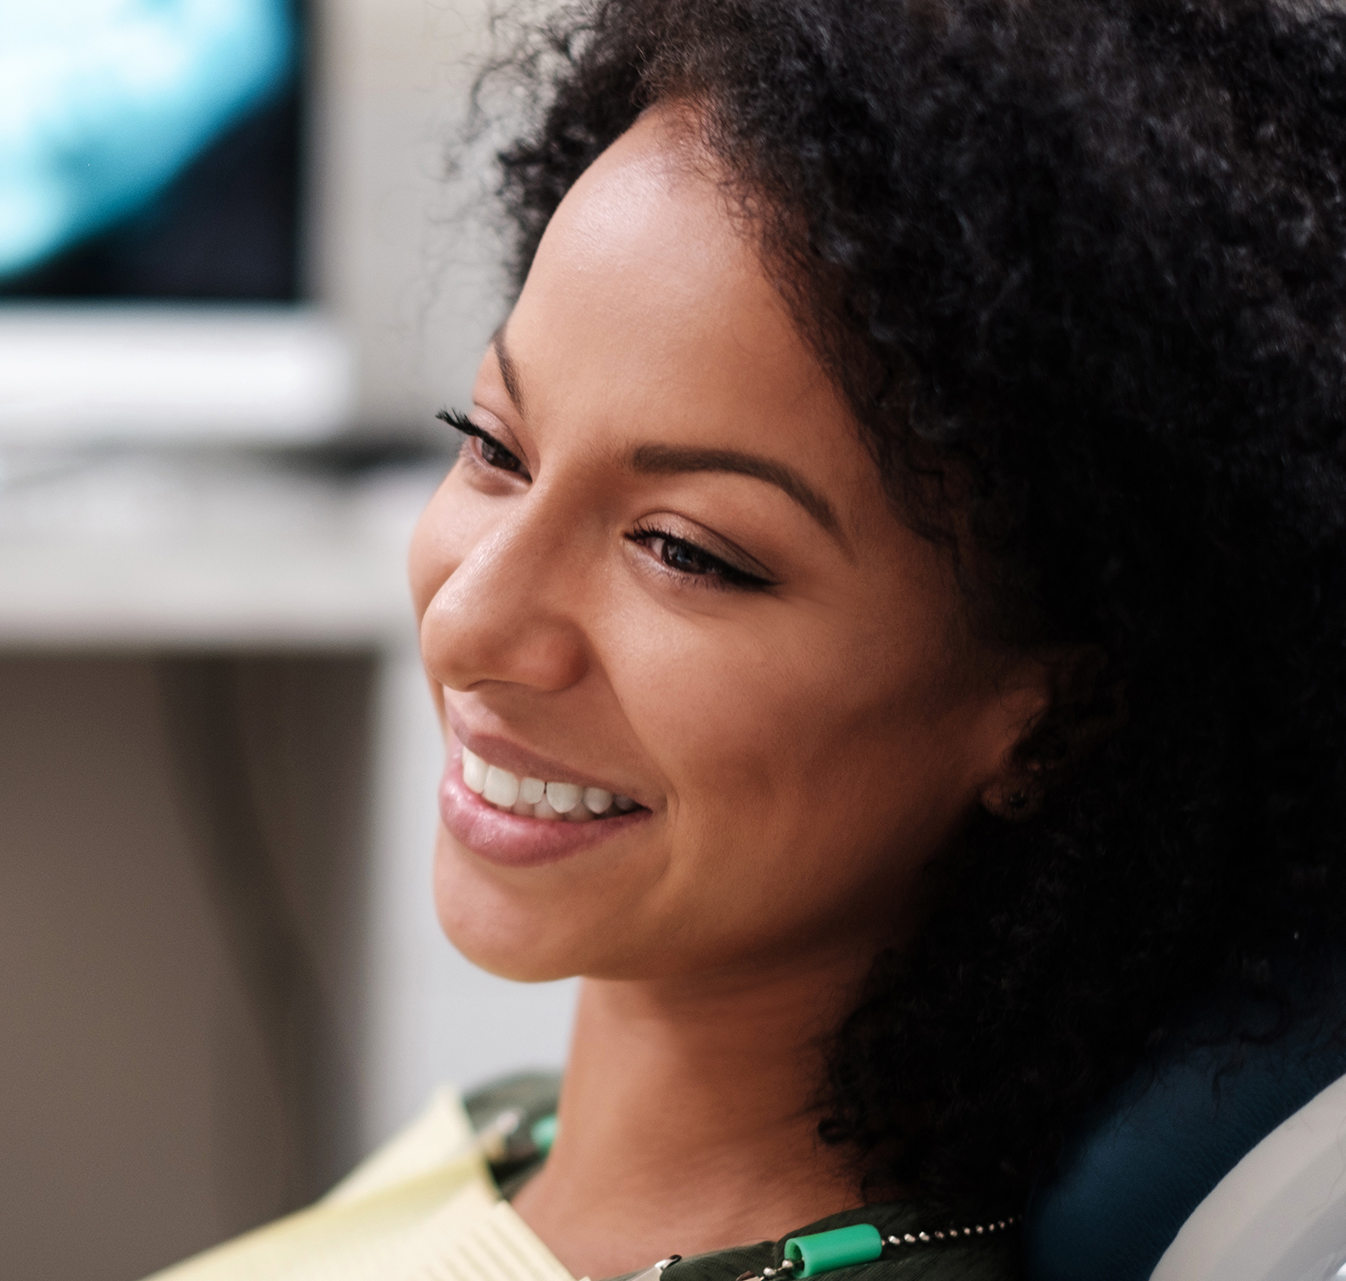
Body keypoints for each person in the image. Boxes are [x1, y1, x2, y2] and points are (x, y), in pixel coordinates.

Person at [149, 1, 1346, 1278]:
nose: (470, 617)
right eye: (495, 445)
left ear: (1057, 716)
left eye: (684, 551)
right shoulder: (513, 1138)